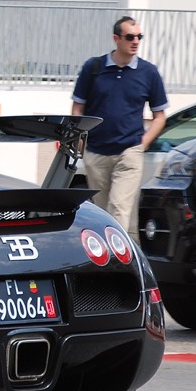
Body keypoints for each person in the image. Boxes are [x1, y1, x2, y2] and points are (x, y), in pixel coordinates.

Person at [71, 16, 168, 239]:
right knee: (104, 215)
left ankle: (116, 265)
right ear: (116, 39)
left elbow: (160, 116)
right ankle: (129, 261)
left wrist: (142, 144)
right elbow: (77, 109)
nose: (135, 41)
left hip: (129, 152)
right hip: (96, 152)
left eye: (139, 37)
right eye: (130, 37)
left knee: (119, 209)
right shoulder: (93, 68)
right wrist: (80, 141)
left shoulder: (148, 72)